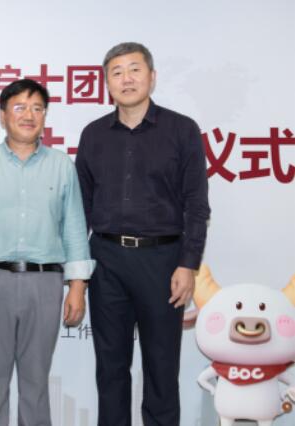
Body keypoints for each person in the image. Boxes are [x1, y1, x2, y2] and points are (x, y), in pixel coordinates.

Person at [75, 42, 210, 426]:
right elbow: (79, 209)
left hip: (163, 261)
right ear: (107, 84)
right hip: (106, 260)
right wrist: (78, 271)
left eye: (135, 69)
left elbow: (196, 205)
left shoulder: (182, 130)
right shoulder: (93, 135)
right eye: (117, 72)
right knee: (111, 368)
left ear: (152, 77)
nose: (127, 79)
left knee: (162, 367)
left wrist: (188, 264)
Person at [0, 79, 94, 426]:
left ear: (44, 116)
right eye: (19, 107)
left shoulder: (61, 165)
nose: (29, 115)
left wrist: (77, 287)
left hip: (45, 283)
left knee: (36, 382)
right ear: (3, 116)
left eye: (37, 108)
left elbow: (74, 229)